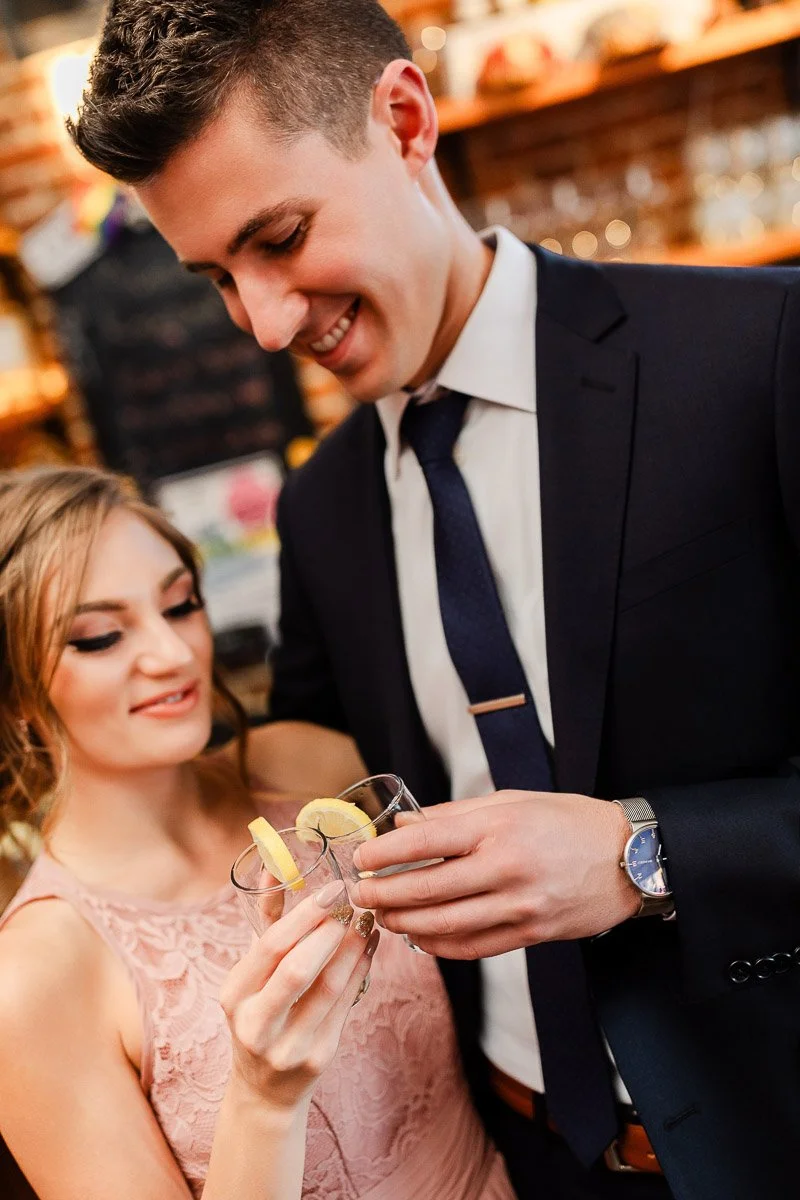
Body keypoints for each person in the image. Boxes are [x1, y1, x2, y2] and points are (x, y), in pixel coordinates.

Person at [68, 2, 800, 1197]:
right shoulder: (322, 510)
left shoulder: (753, 351)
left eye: (282, 236)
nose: (260, 323)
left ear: (404, 120)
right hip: (519, 1154)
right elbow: (298, 783)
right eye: (214, 279)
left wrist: (641, 852)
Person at [0, 465, 515, 1200]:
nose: (175, 657)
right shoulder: (33, 978)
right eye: (101, 636)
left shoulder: (308, 767)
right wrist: (264, 1098)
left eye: (180, 605)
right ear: (16, 691)